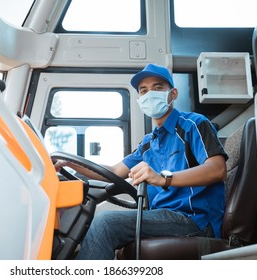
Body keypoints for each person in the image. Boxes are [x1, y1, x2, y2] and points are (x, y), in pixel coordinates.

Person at [55, 63, 228, 260]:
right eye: (143, 91)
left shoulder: (194, 124)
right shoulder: (148, 142)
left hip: (194, 219)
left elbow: (217, 169)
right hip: (163, 216)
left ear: (173, 94)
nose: (150, 94)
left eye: (157, 87)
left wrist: (164, 178)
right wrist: (71, 163)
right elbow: (113, 170)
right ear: (139, 100)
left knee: (105, 222)